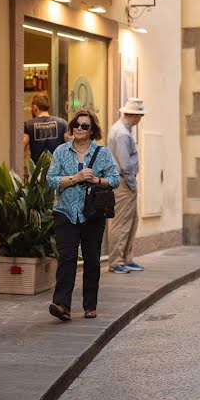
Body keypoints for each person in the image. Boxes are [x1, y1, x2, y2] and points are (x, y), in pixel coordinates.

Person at [46, 110, 120, 321]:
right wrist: (75, 178)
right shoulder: (61, 151)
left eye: (85, 126)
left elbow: (115, 180)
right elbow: (51, 179)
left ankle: (90, 305)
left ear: (92, 131)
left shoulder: (102, 153)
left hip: (92, 215)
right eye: (77, 124)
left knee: (92, 261)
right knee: (67, 259)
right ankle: (62, 305)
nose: (79, 128)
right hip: (65, 212)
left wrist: (96, 180)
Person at [106, 98, 146, 274]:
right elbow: (125, 163)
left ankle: (126, 258)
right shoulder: (122, 133)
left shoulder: (122, 130)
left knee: (131, 220)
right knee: (121, 222)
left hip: (124, 181)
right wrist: (132, 184)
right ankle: (116, 261)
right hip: (123, 182)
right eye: (140, 115)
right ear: (136, 116)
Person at [23, 94, 68, 163]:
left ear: (35, 107)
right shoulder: (62, 123)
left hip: (37, 170)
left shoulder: (28, 125)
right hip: (58, 168)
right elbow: (71, 145)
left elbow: (22, 146)